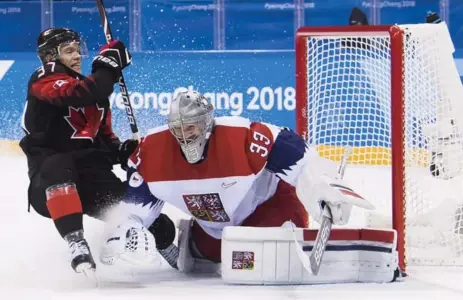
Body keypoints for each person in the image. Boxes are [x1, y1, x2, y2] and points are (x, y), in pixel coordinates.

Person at [99, 90, 375, 277]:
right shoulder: (152, 151)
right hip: (215, 227)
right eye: (178, 129)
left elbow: (296, 154)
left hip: (267, 207)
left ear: (207, 123)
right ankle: (195, 241)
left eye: (191, 127)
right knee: (204, 259)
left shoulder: (241, 136)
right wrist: (126, 229)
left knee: (274, 254)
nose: (184, 135)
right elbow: (136, 205)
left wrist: (321, 187)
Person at [20, 27, 174, 275]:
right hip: (49, 184)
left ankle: (175, 253)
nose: (78, 55)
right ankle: (75, 241)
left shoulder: (94, 94)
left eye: (78, 50)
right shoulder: (44, 77)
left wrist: (124, 152)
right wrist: (108, 66)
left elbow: (104, 142)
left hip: (90, 182)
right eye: (69, 51)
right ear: (50, 57)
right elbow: (80, 93)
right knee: (59, 165)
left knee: (142, 213)